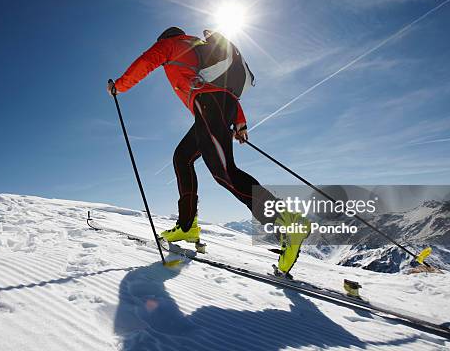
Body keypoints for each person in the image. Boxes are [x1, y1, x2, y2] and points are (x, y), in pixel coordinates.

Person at [108, 27, 310, 276]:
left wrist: (120, 86)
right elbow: (226, 90)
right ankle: (187, 225)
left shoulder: (172, 44)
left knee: (225, 173)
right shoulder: (200, 48)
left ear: (165, 38)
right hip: (215, 106)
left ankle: (287, 222)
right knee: (182, 157)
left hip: (208, 105)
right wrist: (239, 122)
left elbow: (148, 60)